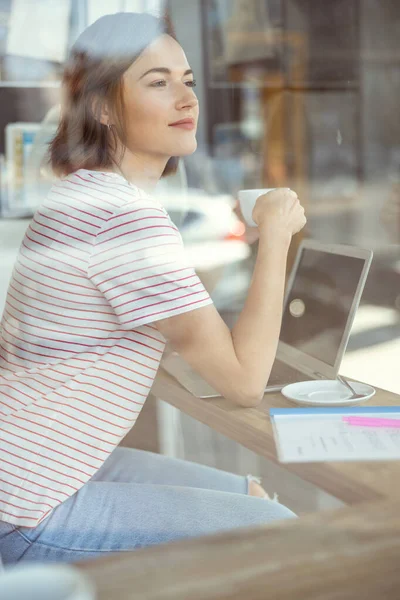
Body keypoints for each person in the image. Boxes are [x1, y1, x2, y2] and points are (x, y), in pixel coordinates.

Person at [0, 12, 306, 564]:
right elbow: (243, 382)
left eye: (187, 80)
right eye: (158, 83)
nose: (187, 99)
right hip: (22, 507)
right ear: (101, 108)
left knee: (246, 495)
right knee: (277, 530)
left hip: (34, 463)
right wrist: (278, 235)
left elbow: (146, 331)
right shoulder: (122, 216)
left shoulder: (84, 197)